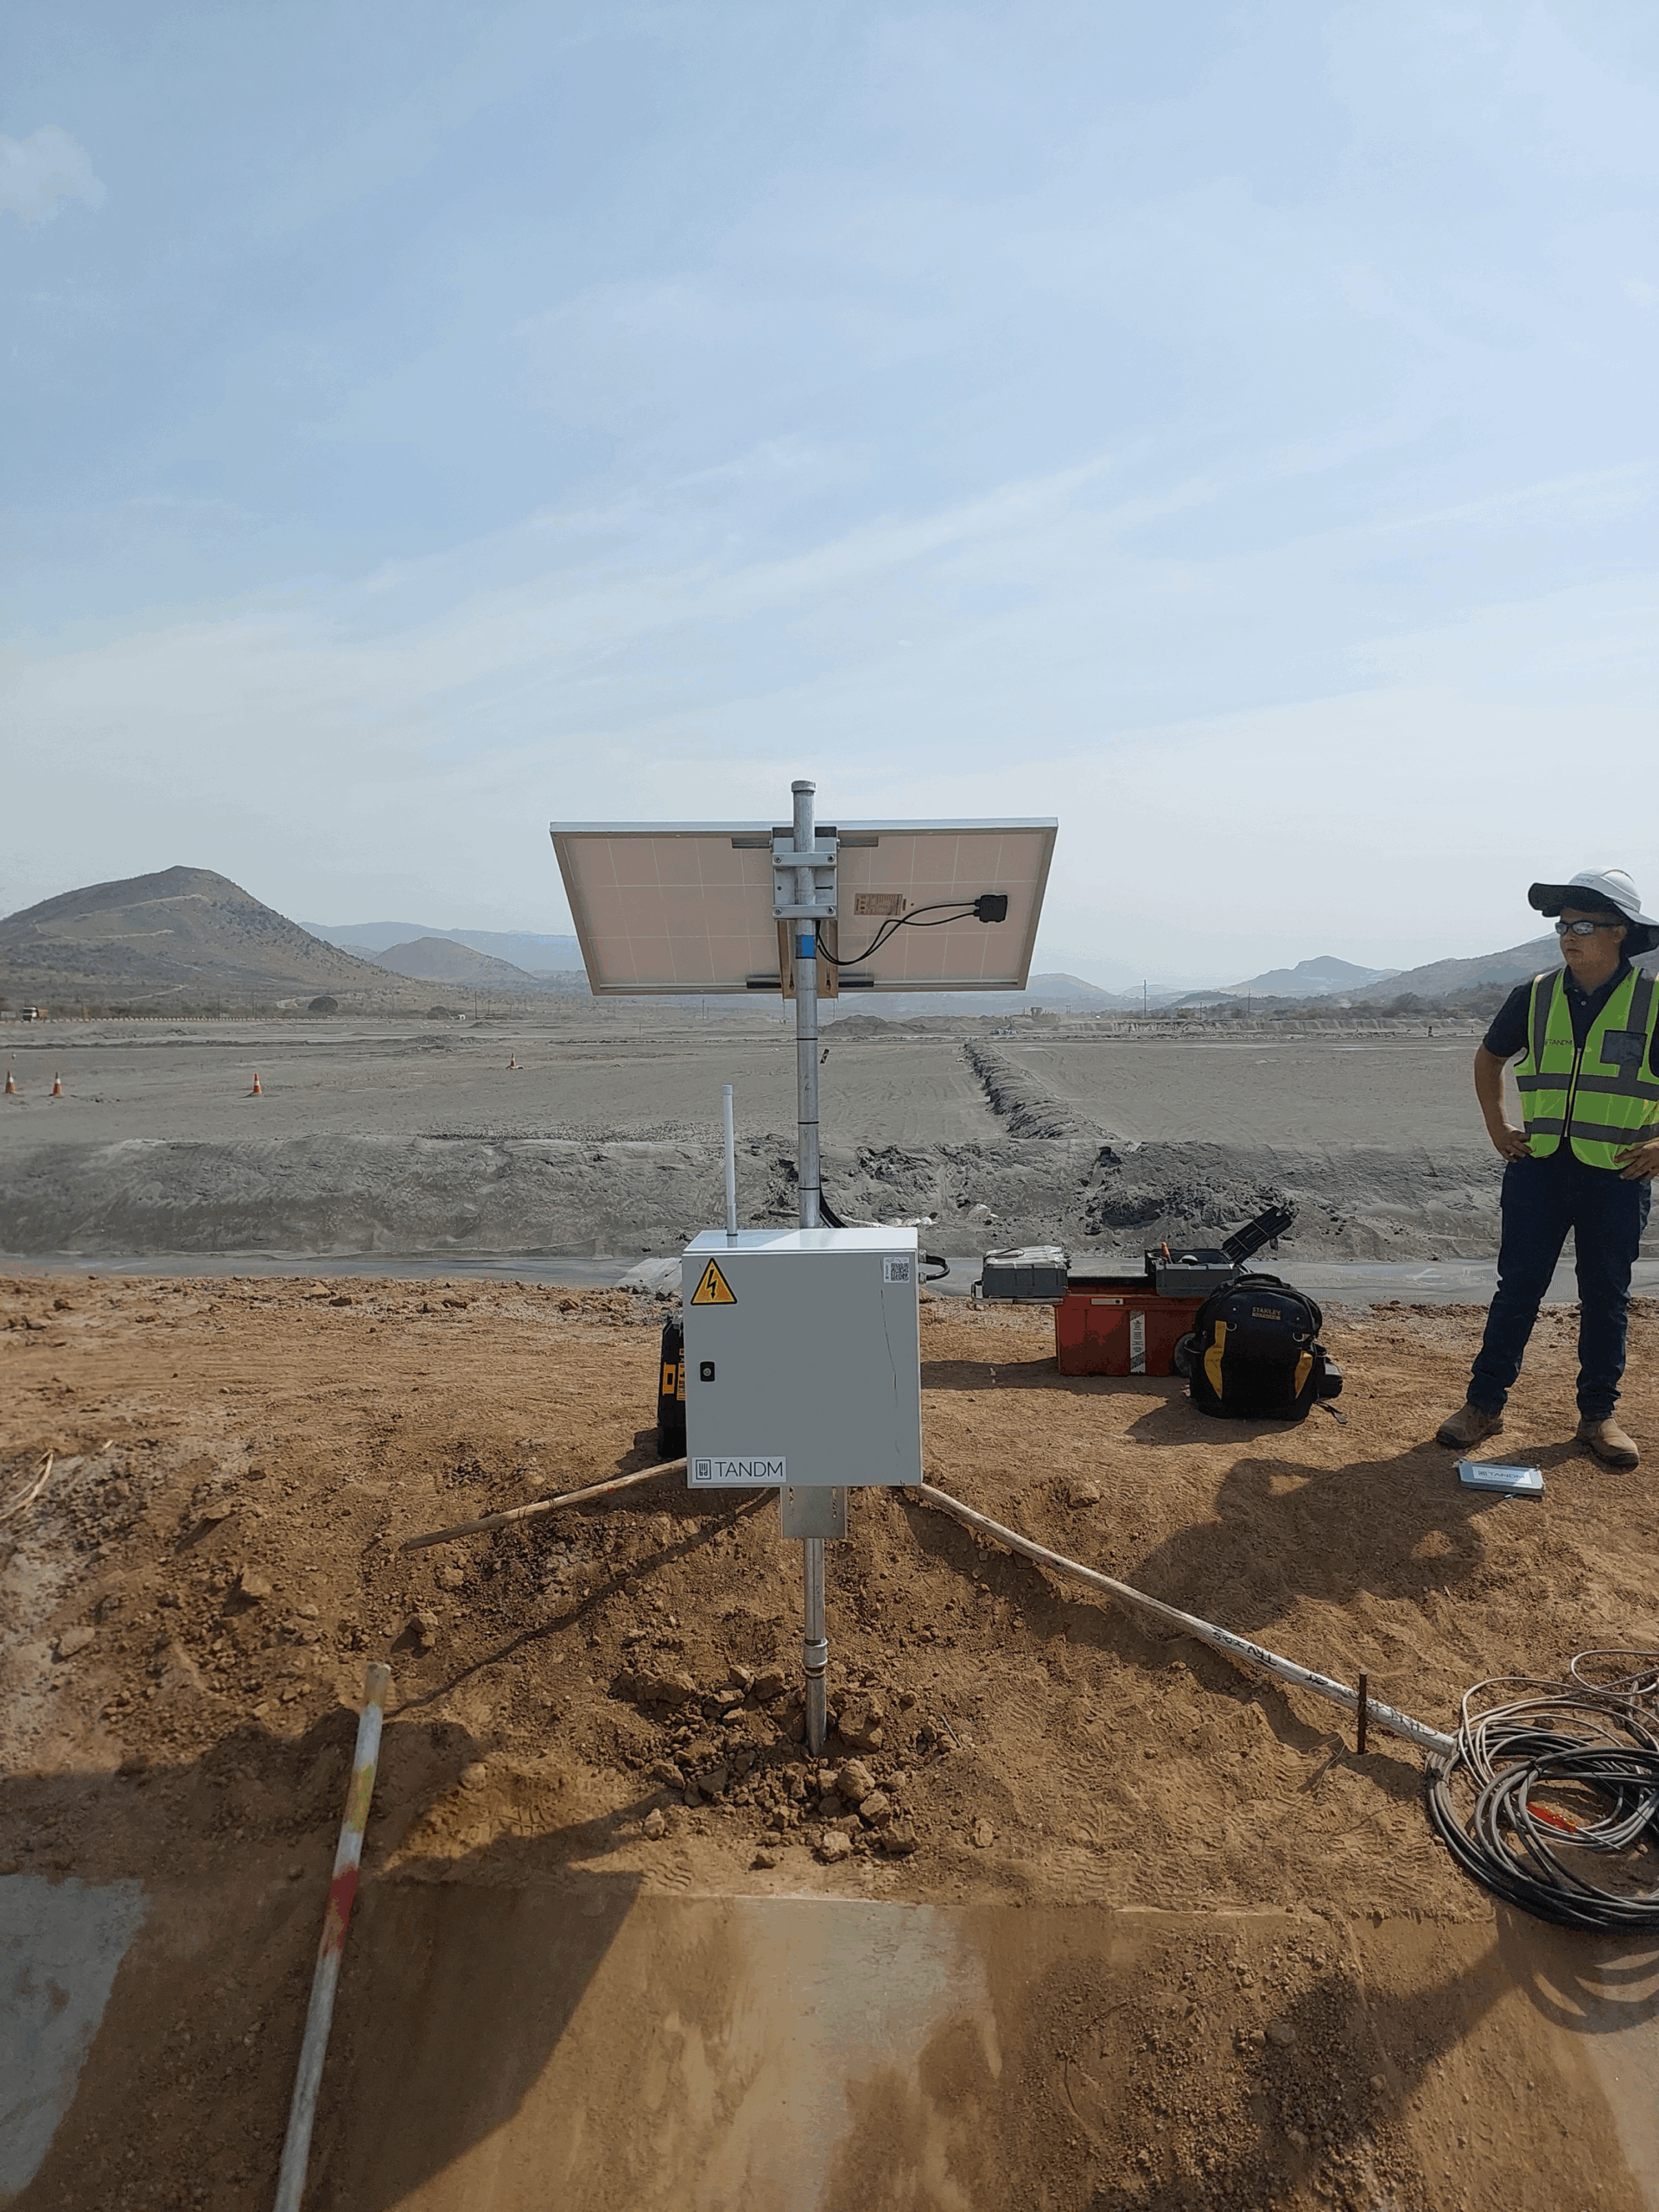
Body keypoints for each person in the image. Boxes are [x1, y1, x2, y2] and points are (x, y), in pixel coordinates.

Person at [1437, 868, 1659, 1471]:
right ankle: (1483, 1406)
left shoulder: (1653, 1002)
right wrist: (1498, 1127)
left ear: (1620, 932)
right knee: (1517, 1290)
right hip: (1538, 1172)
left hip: (1617, 1176)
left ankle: (1598, 1417)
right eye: (1563, 926)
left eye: (1582, 926)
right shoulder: (1533, 995)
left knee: (1606, 1298)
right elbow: (1489, 1058)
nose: (1568, 937)